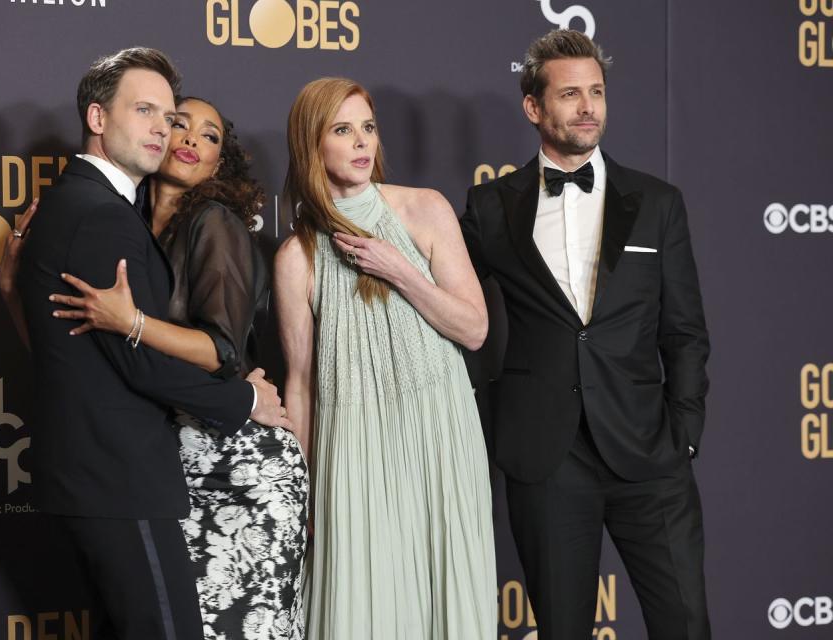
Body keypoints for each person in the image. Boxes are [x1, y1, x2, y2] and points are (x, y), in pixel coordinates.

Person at [2, 97, 307, 639]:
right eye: (176, 124)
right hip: (163, 462)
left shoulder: (215, 224)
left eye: (209, 136)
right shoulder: (120, 221)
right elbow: (76, 357)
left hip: (233, 460)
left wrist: (132, 321)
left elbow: (223, 351)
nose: (189, 138)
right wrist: (12, 292)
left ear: (221, 163)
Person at [461, 30, 711, 639]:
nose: (587, 107)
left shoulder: (657, 201)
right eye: (569, 93)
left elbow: (684, 332)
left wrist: (682, 436)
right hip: (547, 457)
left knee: (685, 625)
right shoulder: (491, 206)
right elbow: (452, 311)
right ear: (534, 108)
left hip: (649, 452)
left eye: (595, 92)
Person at [274, 77, 496, 640]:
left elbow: (474, 329)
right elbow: (299, 385)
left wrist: (398, 268)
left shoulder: (425, 209)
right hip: (352, 449)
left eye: (367, 128)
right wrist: (305, 492)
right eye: (342, 130)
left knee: (445, 597)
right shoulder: (296, 256)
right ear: (311, 144)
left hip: (438, 434)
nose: (360, 142)